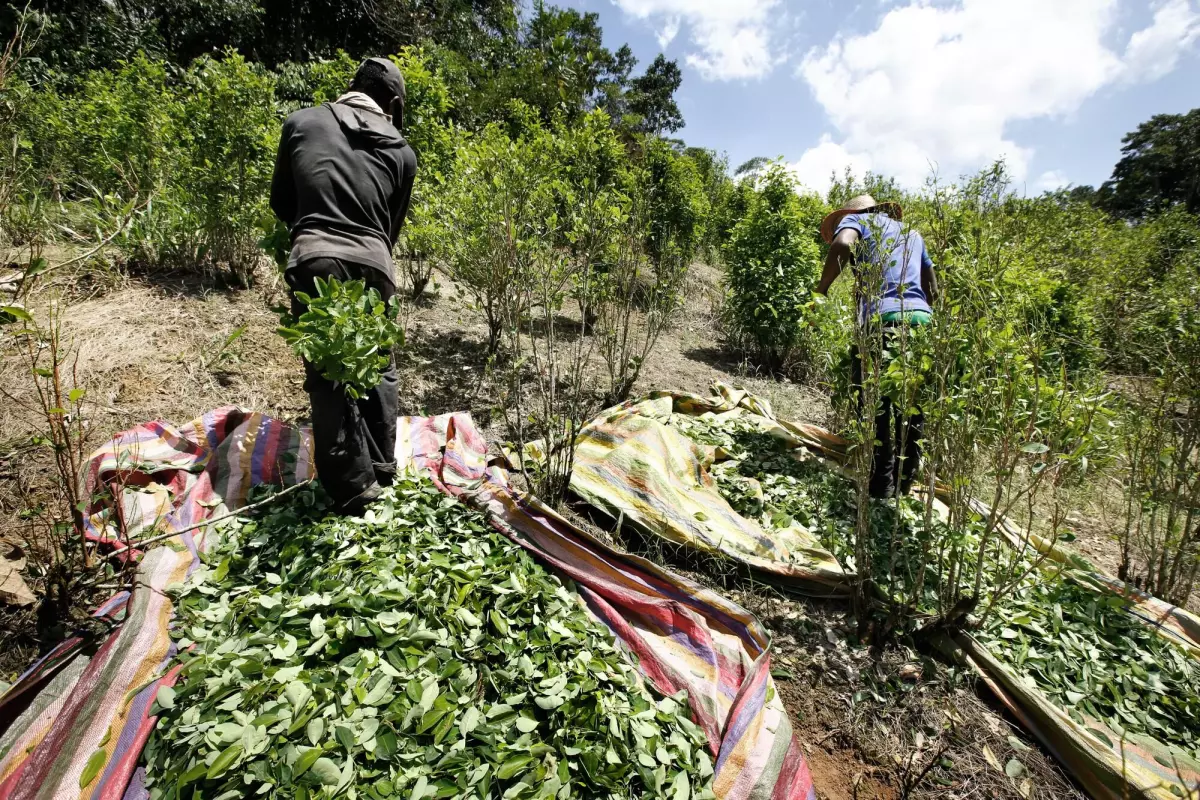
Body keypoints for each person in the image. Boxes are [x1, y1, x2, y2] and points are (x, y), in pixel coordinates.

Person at [270, 57, 418, 513]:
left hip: (314, 256)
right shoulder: (402, 152)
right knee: (379, 365)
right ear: (391, 103)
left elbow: (282, 202)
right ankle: (381, 468)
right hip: (375, 263)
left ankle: (353, 490)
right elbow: (387, 230)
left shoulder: (301, 122)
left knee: (329, 375)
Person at [814, 194, 939, 499]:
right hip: (922, 322)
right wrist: (918, 313)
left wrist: (822, 290)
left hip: (883, 320)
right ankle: (905, 484)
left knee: (873, 403)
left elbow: (842, 245)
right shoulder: (912, 234)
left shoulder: (857, 220)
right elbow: (932, 287)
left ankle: (881, 488)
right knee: (913, 407)